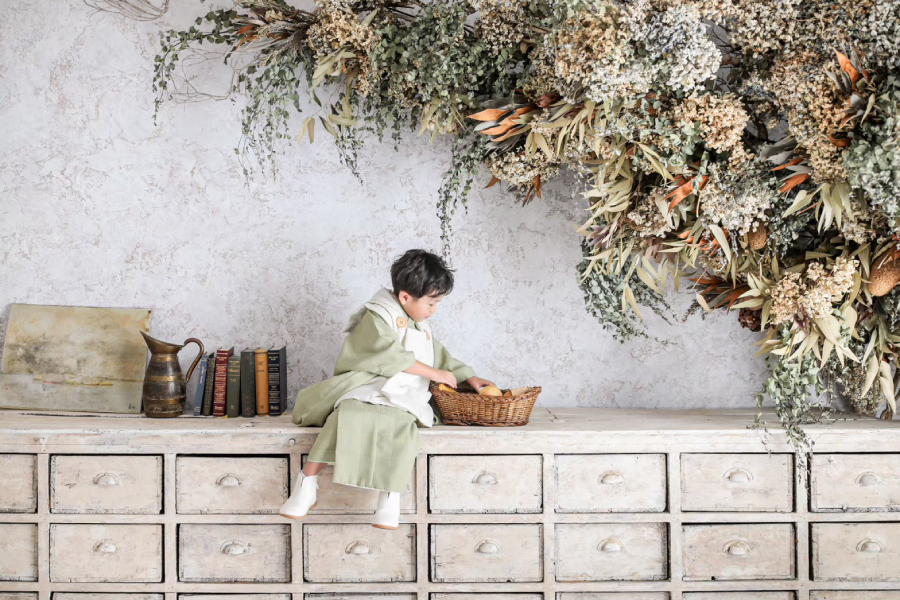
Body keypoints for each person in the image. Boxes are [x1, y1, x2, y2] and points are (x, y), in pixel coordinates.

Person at [279, 249, 495, 529]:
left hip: (404, 390)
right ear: (405, 298)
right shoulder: (377, 315)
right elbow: (388, 354)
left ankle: (390, 497)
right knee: (346, 415)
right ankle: (307, 482)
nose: (434, 310)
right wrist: (433, 373)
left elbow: (438, 355)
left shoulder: (420, 325)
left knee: (400, 426)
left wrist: (469, 377)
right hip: (367, 383)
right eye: (431, 303)